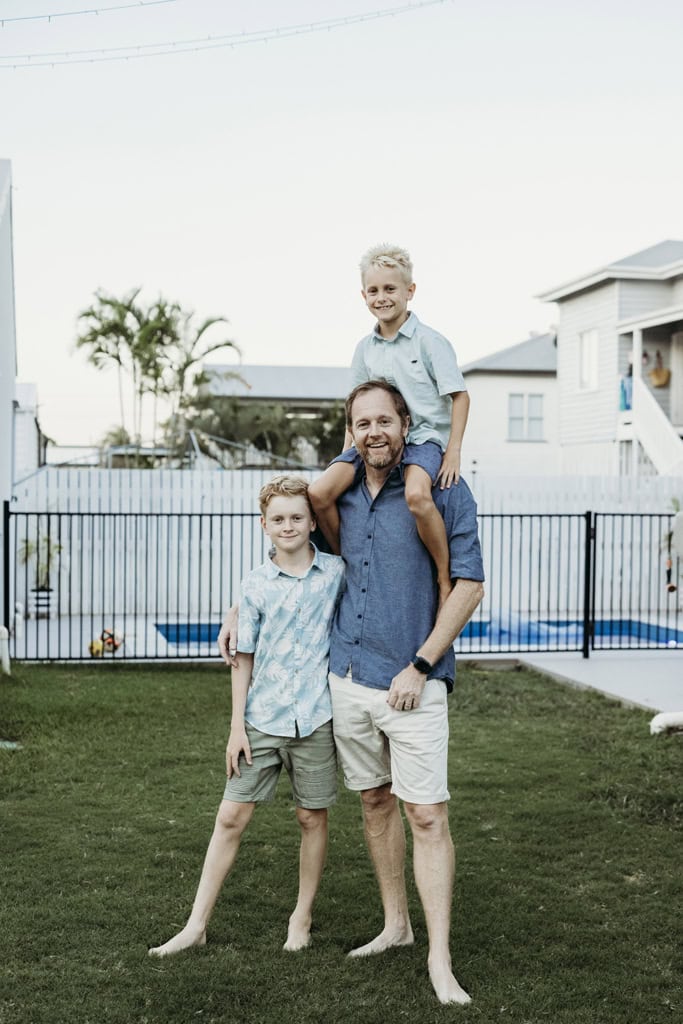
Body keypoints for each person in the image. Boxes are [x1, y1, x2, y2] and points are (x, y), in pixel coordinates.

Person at [219, 382, 484, 1005]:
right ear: (350, 432)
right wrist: (238, 604)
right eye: (361, 423)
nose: (374, 432)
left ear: (405, 424)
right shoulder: (338, 499)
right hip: (347, 680)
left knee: (427, 813)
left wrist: (421, 664)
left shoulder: (443, 491)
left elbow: (469, 587)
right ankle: (396, 925)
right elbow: (292, 550)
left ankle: (439, 960)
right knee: (373, 803)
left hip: (412, 682)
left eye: (384, 421)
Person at [150, 475, 344, 958]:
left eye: (297, 517)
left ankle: (302, 916)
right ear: (264, 526)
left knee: (310, 817)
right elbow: (244, 657)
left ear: (312, 521)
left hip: (316, 719)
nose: (288, 525)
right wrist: (237, 726)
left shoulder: (337, 573)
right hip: (262, 718)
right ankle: (196, 925)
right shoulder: (254, 584)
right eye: (278, 519)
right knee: (231, 815)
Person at [309, 244, 470, 610]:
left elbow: (461, 397)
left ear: (409, 291)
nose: (382, 297)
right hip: (372, 440)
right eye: (374, 290)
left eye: (390, 289)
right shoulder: (364, 349)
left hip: (422, 439)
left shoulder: (430, 341)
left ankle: (443, 576)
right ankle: (345, 564)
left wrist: (453, 451)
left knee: (416, 496)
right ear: (363, 295)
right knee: (319, 494)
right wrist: (344, 457)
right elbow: (354, 412)